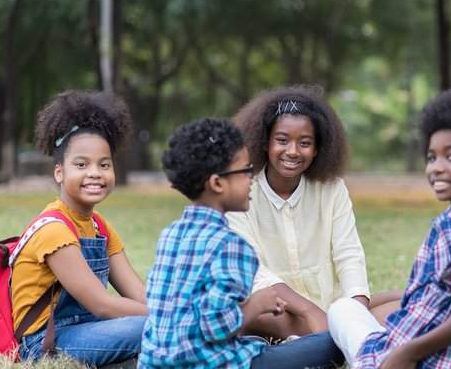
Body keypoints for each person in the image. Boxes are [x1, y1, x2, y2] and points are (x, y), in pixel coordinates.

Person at [328, 88, 451, 368]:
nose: (437, 168)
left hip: (406, 358)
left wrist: (407, 353)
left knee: (343, 309)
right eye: (432, 158)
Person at [139, 117, 344, 368]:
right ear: (217, 183)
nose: (252, 178)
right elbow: (215, 327)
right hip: (212, 363)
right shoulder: (231, 245)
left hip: (158, 361)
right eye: (246, 170)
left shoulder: (170, 234)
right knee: (330, 344)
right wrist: (258, 304)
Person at [227, 85, 401, 341]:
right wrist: (309, 311)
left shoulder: (331, 189)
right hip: (278, 310)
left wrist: (356, 311)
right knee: (253, 314)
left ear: (318, 149)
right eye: (282, 140)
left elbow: (348, 253)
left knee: (416, 297)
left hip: (334, 305)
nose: (293, 151)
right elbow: (254, 271)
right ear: (265, 143)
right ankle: (345, 335)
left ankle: (339, 333)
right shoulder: (240, 192)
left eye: (305, 143)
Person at [11, 90, 147, 366]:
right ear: (59, 172)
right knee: (149, 328)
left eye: (104, 164)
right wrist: (172, 317)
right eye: (81, 164)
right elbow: (103, 305)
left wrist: (174, 309)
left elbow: (137, 293)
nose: (95, 172)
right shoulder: (54, 230)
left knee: (156, 323)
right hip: (45, 342)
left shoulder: (100, 227)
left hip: (91, 330)